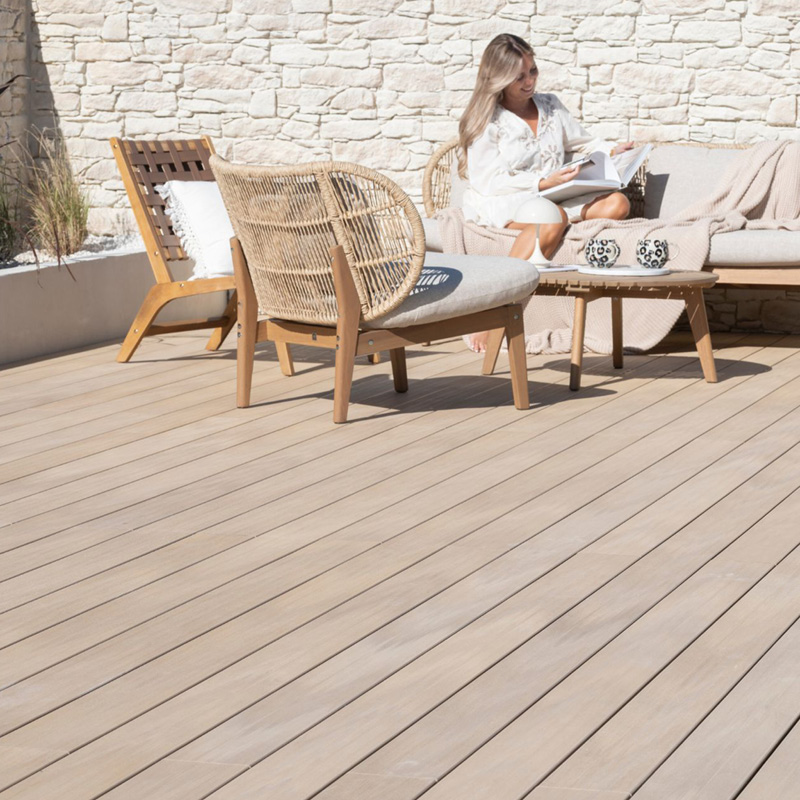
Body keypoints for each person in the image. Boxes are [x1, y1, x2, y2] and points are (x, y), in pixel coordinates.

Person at [459, 33, 633, 351]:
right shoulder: (486, 120)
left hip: (553, 195)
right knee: (551, 217)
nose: (529, 82)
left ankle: (560, 222)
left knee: (617, 204)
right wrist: (541, 183)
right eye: (519, 76)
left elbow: (584, 144)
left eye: (533, 71)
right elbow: (488, 182)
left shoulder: (550, 106)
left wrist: (613, 150)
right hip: (504, 199)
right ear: (498, 79)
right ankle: (490, 310)